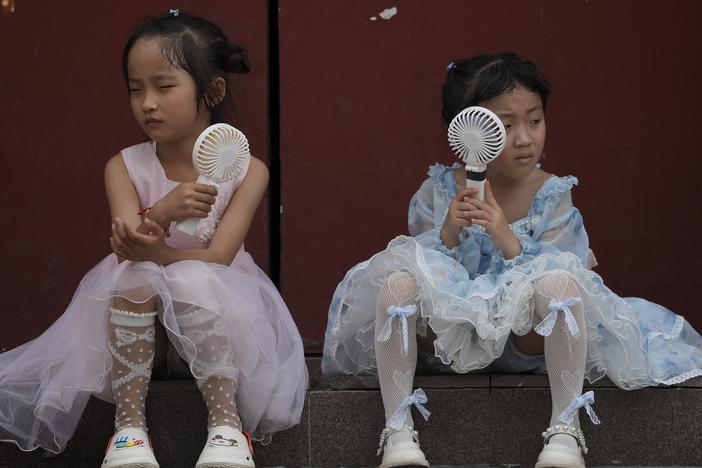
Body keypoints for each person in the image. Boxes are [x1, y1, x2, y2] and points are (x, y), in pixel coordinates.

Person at [322, 52, 702, 468]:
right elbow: (422, 266)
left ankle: (564, 429)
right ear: (467, 131)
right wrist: (448, 232)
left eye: (534, 120)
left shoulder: (551, 193)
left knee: (558, 286)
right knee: (397, 281)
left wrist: (507, 239)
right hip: (452, 339)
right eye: (504, 125)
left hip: (527, 340)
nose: (524, 138)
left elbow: (569, 271)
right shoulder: (440, 189)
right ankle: (397, 431)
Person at [0, 10, 307, 468]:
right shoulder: (123, 165)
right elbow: (126, 245)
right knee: (135, 277)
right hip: (142, 334)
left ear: (212, 91)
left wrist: (158, 249)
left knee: (192, 278)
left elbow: (219, 256)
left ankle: (226, 426)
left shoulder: (247, 170)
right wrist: (163, 211)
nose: (147, 104)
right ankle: (128, 429)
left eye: (164, 87)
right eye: (135, 89)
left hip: (220, 319)